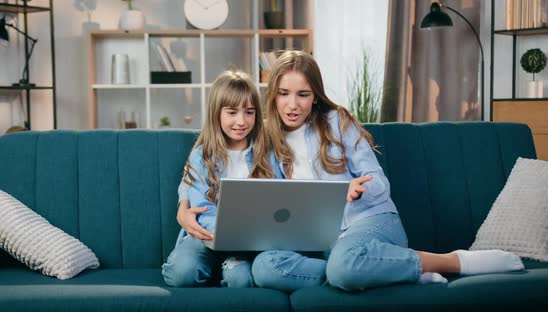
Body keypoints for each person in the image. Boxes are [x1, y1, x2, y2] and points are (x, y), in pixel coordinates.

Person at [249, 50, 524, 292]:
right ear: (273, 95)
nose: (292, 104)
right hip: (318, 239)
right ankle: (384, 272)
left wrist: (355, 190)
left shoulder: (336, 121)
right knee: (265, 268)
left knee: (343, 265)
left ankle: (451, 261)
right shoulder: (267, 139)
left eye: (303, 95)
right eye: (284, 94)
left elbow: (379, 182)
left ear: (316, 98)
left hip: (367, 221)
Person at [161, 69, 278, 288]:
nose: (241, 121)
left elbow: (278, 200)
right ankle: (214, 265)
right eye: (232, 112)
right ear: (217, 113)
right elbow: (201, 209)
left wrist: (246, 240)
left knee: (240, 280)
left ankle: (227, 266)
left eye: (249, 112)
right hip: (204, 238)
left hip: (249, 243)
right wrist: (226, 236)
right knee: (181, 273)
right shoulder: (202, 156)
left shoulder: (267, 154)